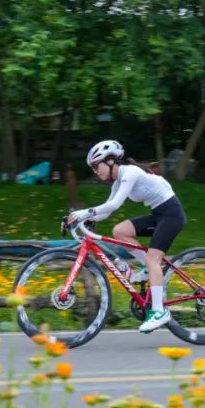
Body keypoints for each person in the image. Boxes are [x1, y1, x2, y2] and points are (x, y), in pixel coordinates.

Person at [67, 139, 186, 333]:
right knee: (120, 231)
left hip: (172, 214)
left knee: (154, 259)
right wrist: (85, 219)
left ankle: (159, 311)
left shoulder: (129, 172)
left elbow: (114, 205)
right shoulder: (118, 180)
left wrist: (84, 212)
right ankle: (148, 268)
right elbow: (107, 210)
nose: (95, 171)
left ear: (111, 160)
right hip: (159, 214)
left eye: (97, 166)